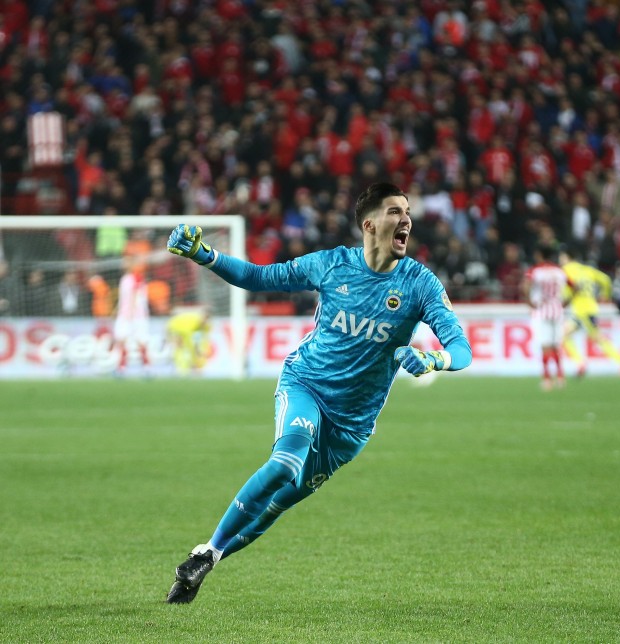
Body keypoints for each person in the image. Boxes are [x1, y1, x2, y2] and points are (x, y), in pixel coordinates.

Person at [163, 182, 472, 604]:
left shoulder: (420, 284)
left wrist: (435, 359)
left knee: (277, 504)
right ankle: (209, 550)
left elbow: (461, 349)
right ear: (369, 224)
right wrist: (204, 253)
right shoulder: (331, 264)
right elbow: (258, 277)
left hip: (352, 426)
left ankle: (207, 558)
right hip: (306, 384)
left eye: (407, 212)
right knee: (285, 464)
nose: (406, 220)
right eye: (395, 211)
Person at [558, 248, 620, 378]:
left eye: (562, 257)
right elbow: (606, 279)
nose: (560, 260)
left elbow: (566, 290)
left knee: (597, 338)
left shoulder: (565, 270)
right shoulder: (587, 269)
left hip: (581, 310)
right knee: (563, 335)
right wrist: (605, 294)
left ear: (567, 258)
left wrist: (563, 300)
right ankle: (581, 363)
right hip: (587, 308)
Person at [522, 246, 571, 391]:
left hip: (541, 310)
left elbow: (525, 286)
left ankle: (547, 379)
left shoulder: (535, 270)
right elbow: (574, 287)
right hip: (557, 310)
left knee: (545, 345)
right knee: (556, 345)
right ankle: (560, 377)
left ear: (539, 255)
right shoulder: (560, 271)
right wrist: (566, 302)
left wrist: (529, 302)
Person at [113, 261, 151, 372]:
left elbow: (135, 293)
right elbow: (124, 298)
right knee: (121, 339)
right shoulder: (124, 279)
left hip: (136, 315)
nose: (123, 264)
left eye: (126, 262)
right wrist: (117, 310)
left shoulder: (137, 277)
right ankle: (122, 367)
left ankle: (146, 366)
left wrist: (132, 311)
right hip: (124, 314)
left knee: (141, 340)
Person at [166, 307, 212, 376]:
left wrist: (197, 351)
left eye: (206, 319)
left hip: (184, 331)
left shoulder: (205, 326)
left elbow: (199, 339)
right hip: (177, 329)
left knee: (196, 351)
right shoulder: (189, 323)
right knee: (181, 349)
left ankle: (194, 368)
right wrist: (172, 339)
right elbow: (170, 330)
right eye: (204, 318)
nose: (205, 321)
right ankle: (182, 370)